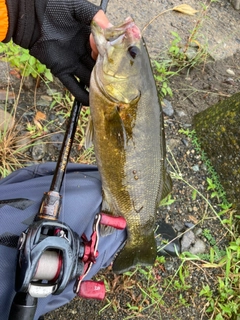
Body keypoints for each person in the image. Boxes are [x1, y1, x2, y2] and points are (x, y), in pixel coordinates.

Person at [0, 1, 178, 319]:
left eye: (132, 55)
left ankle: (137, 237)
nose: (130, 41)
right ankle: (130, 238)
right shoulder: (120, 97)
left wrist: (19, 10)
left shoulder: (124, 99)